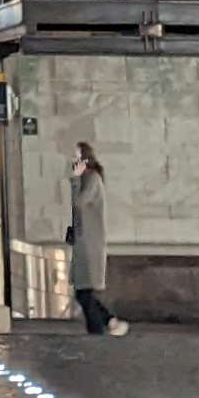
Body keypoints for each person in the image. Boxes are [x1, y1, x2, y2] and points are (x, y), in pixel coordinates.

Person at [66, 140, 124, 337]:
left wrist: (74, 180)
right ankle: (108, 322)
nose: (72, 159)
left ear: (85, 158)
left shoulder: (91, 179)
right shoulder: (86, 179)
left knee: (84, 292)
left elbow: (79, 204)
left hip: (90, 245)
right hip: (82, 243)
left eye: (76, 156)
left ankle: (101, 328)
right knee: (83, 292)